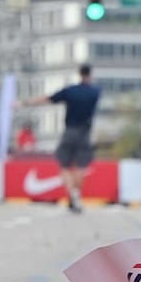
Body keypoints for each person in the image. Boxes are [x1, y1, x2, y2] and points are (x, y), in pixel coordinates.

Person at [23, 64, 101, 213]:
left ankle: (72, 192)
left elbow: (48, 98)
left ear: (79, 73)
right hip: (85, 133)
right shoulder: (95, 92)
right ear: (90, 74)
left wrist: (25, 103)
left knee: (64, 165)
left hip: (70, 131)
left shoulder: (71, 91)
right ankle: (77, 194)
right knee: (80, 166)